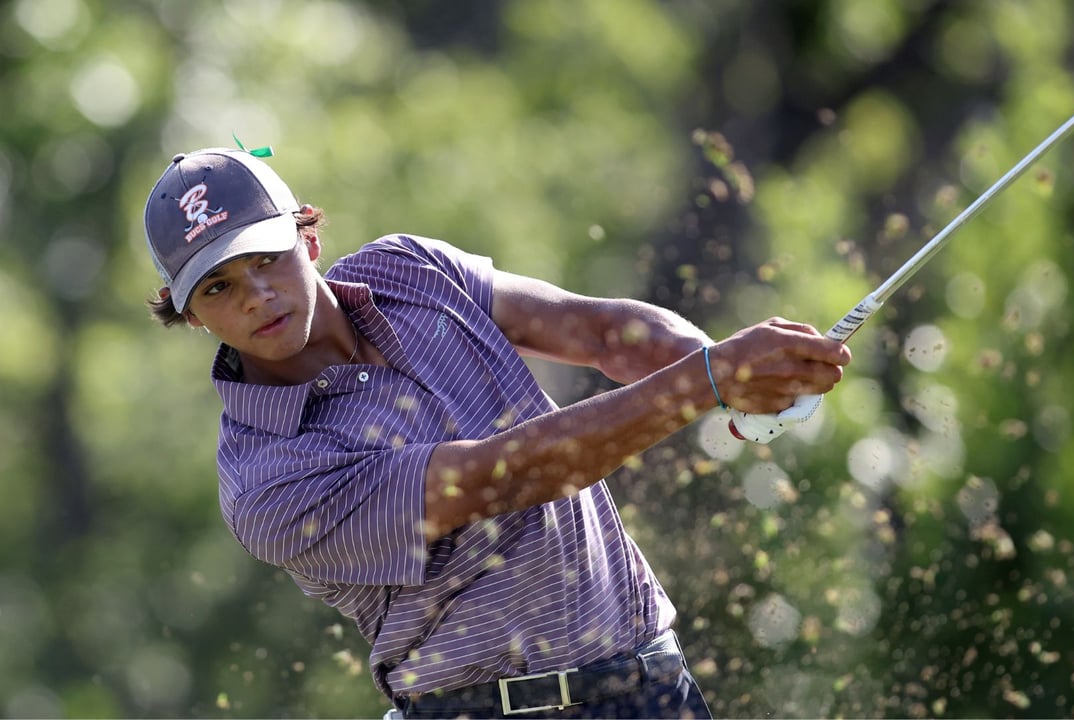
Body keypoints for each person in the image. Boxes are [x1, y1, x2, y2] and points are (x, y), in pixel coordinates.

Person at [142, 146, 850, 719]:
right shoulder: (268, 480)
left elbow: (603, 332)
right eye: (218, 287)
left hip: (650, 690)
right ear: (190, 314)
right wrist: (712, 380)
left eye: (266, 258)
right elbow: (511, 475)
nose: (256, 295)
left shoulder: (407, 270)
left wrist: (736, 378)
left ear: (309, 236)